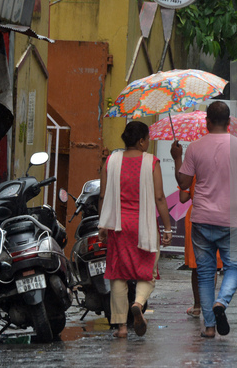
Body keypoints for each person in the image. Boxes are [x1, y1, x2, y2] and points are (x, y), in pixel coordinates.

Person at [171, 101, 237, 338]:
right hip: (231, 220)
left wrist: (177, 158)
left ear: (207, 121)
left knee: (205, 272)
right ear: (230, 122)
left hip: (202, 218)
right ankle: (221, 302)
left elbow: (183, 184)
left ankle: (210, 327)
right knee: (234, 267)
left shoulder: (194, 147)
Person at [98, 121, 173, 339]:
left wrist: (102, 224)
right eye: (148, 139)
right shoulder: (151, 162)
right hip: (144, 226)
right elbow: (159, 197)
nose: (149, 143)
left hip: (118, 226)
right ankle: (138, 303)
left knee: (118, 274)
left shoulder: (111, 161)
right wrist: (167, 227)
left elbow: (102, 195)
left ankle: (121, 327)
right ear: (141, 141)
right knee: (147, 271)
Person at [179, 176, 223, 318]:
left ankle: (197, 306)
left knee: (197, 264)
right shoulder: (223, 167)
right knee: (213, 264)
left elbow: (183, 198)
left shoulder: (193, 170)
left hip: (196, 216)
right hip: (218, 215)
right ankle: (209, 306)